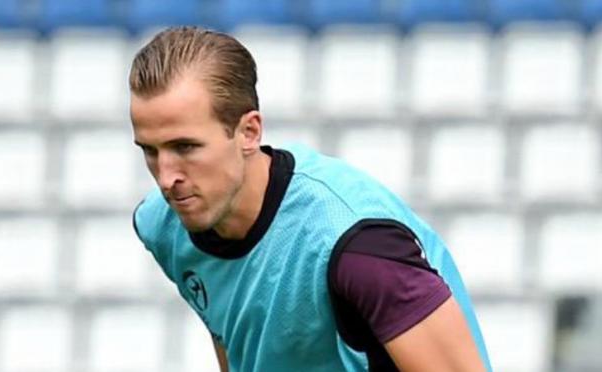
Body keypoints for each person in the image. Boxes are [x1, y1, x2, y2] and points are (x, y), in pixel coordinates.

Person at [129, 26, 491, 372]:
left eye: (185, 147)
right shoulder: (162, 225)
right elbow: (235, 335)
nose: (165, 177)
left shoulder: (356, 246)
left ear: (249, 132)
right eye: (150, 151)